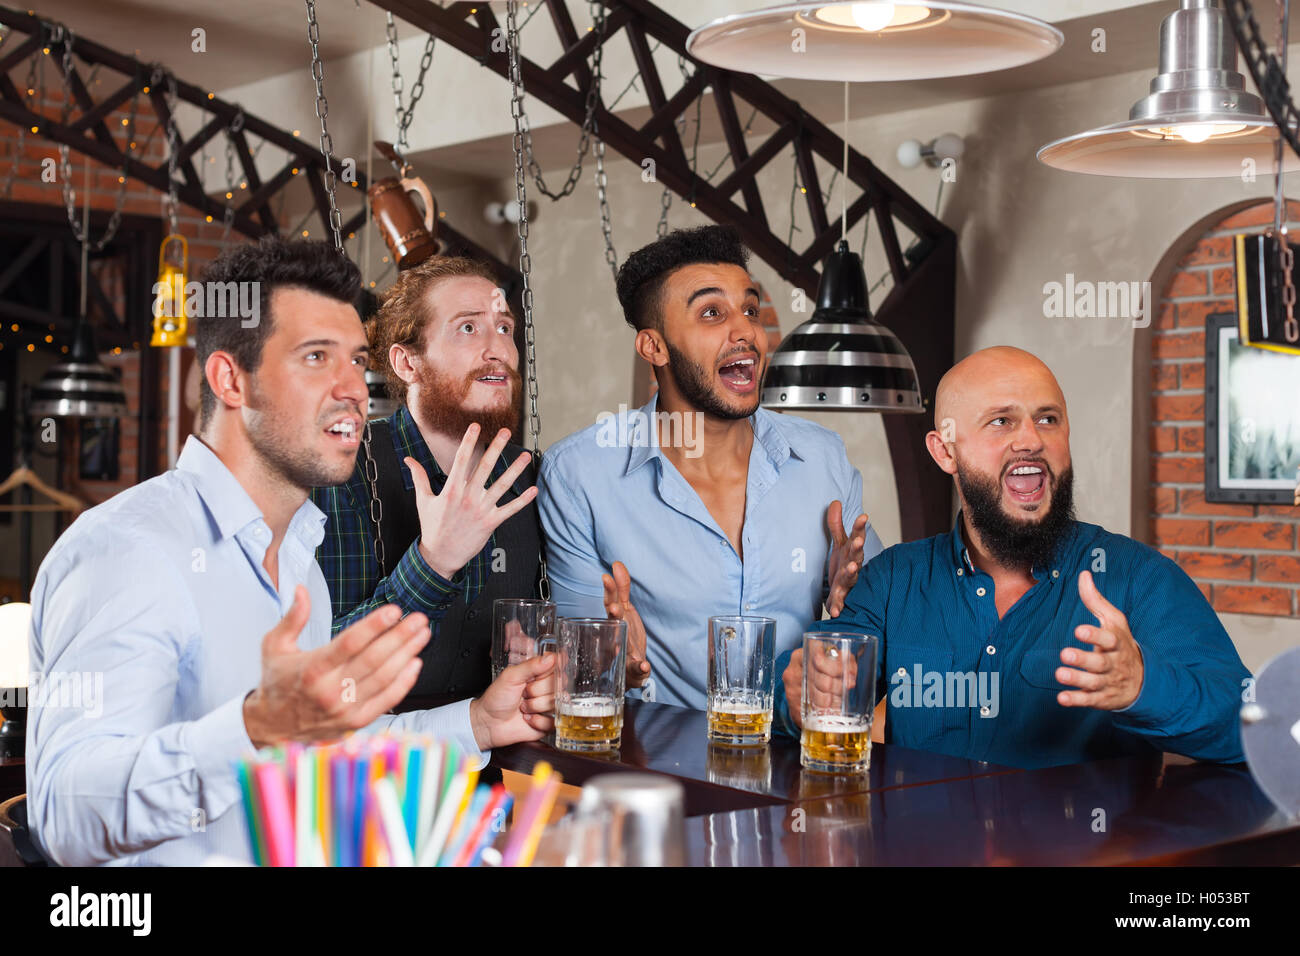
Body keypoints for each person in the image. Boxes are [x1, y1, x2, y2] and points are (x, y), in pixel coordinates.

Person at [25, 238, 554, 866]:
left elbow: (329, 754)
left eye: (356, 360)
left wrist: (478, 725)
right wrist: (255, 727)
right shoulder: (130, 549)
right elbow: (63, 814)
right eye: (315, 357)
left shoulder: (297, 557)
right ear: (230, 380)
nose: (353, 388)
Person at [778, 346, 1251, 769]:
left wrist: (1143, 685)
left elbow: (1254, 725)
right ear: (945, 451)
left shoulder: (1138, 580)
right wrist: (798, 696)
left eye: (1048, 419)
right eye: (1001, 421)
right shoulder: (892, 581)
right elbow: (814, 684)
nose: (1031, 439)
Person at [537, 225, 881, 710]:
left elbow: (875, 634)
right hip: (659, 771)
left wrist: (857, 605)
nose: (744, 331)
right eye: (711, 313)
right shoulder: (578, 476)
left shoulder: (823, 458)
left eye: (749, 309)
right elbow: (586, 674)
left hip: (799, 765)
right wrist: (621, 668)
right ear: (653, 347)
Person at [313, 257, 541, 709]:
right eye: (469, 329)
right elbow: (319, 668)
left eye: (505, 328)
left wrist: (542, 655)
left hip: (509, 770)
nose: (498, 349)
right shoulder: (341, 473)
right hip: (371, 767)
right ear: (407, 362)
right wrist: (434, 563)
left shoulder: (535, 477)